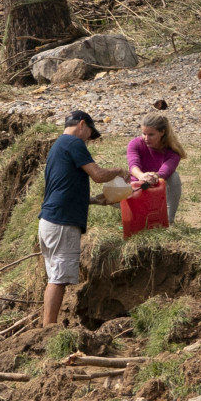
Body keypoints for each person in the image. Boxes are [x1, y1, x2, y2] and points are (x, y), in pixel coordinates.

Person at [39, 109, 139, 327]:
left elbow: (62, 187)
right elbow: (98, 175)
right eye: (90, 134)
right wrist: (120, 170)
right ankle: (48, 329)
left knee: (55, 277)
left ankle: (47, 325)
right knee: (58, 279)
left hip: (50, 221)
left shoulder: (58, 146)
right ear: (82, 125)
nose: (89, 140)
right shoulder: (74, 143)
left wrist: (94, 200)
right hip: (62, 223)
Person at [127, 111, 185, 223]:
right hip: (136, 190)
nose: (146, 138)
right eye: (144, 134)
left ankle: (168, 220)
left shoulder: (173, 152)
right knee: (113, 182)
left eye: (151, 134)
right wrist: (142, 176)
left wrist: (154, 176)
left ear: (162, 132)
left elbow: (165, 171)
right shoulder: (135, 144)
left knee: (174, 177)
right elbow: (133, 165)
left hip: (157, 192)